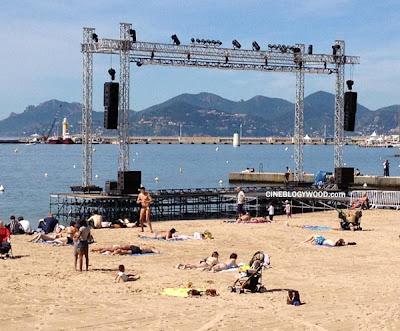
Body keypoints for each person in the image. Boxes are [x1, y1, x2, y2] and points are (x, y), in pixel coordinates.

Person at [92, 244, 159, 255]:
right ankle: (100, 250)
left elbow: (156, 251)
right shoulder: (151, 249)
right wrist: (157, 252)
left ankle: (99, 250)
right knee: (122, 251)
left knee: (114, 248)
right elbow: (156, 251)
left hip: (134, 246)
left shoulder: (148, 247)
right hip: (137, 250)